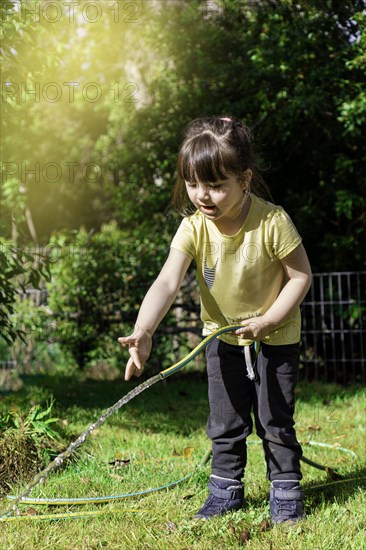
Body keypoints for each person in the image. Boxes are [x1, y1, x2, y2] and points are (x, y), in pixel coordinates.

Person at [118, 116, 312, 523]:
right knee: (225, 421)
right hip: (222, 339)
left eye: (216, 185)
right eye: (192, 183)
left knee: (275, 417)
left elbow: (301, 276)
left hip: (274, 337)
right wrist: (144, 329)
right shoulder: (193, 227)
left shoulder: (272, 222)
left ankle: (286, 491)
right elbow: (167, 281)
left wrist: (269, 321)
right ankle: (225, 491)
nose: (202, 195)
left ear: (245, 179)